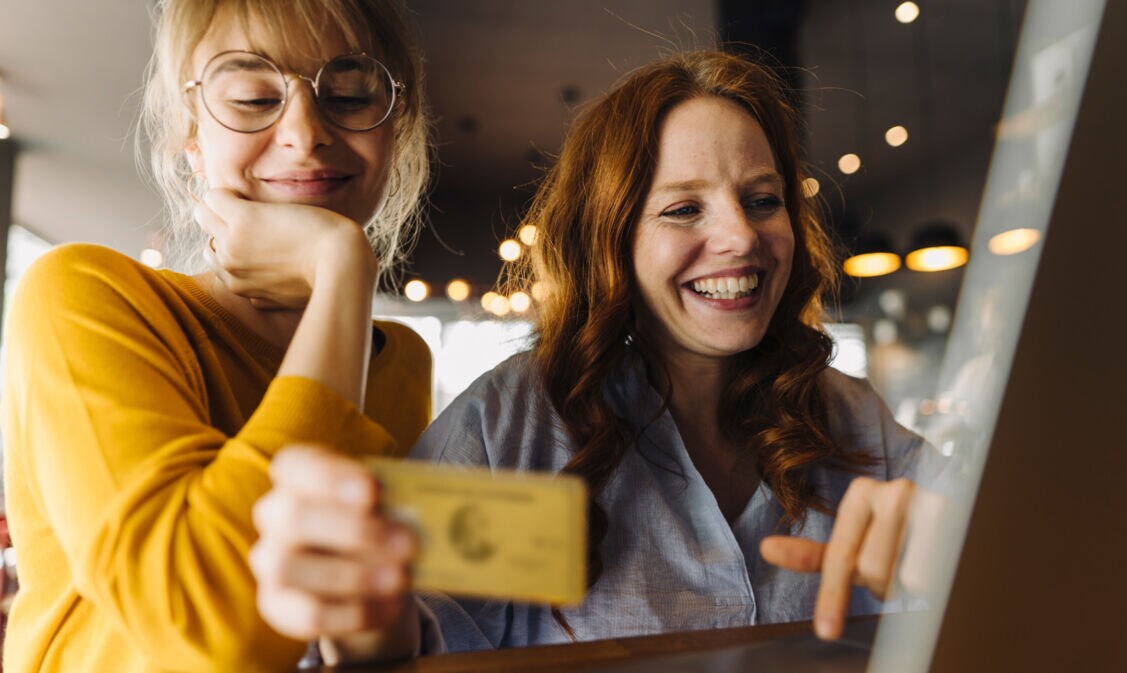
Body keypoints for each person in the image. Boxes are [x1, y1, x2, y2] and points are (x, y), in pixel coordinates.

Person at [250, 49, 921, 659]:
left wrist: (964, 539)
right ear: (611, 242)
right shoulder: (514, 424)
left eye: (762, 200)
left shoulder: (852, 417)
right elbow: (409, 635)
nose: (741, 236)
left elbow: (998, 540)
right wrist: (365, 611)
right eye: (684, 208)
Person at [0, 1, 432, 671]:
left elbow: (355, 619)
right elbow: (215, 626)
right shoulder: (81, 295)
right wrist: (343, 266)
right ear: (191, 136)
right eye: (254, 97)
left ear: (395, 131)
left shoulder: (402, 360)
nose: (305, 132)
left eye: (348, 93)